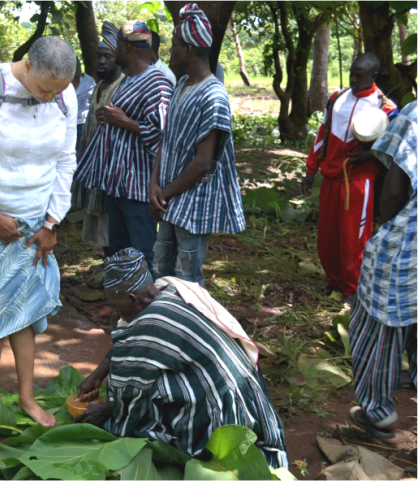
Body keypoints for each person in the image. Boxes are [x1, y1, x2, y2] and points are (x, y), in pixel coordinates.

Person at [0, 36, 77, 426]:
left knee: (26, 307)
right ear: (27, 66)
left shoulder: (63, 95)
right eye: (43, 89)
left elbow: (65, 161)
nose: (49, 98)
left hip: (37, 221)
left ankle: (25, 398)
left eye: (58, 90)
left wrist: (52, 222)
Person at [75, 248, 288, 468]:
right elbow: (130, 345)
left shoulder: (153, 322)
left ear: (131, 299)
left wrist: (106, 410)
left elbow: (128, 390)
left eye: (115, 305)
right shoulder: (173, 290)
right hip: (248, 400)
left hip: (223, 419)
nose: (115, 312)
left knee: (141, 414)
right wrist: (97, 375)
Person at [150, 4, 245, 287]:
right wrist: (155, 185)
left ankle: (189, 328)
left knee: (187, 279)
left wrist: (163, 193)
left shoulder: (213, 96)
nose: (170, 51)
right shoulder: (181, 85)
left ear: (188, 50)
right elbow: (166, 140)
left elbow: (202, 163)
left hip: (192, 203)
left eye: (175, 45)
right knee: (161, 269)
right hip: (168, 199)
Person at [74, 20, 173, 276]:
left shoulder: (157, 83)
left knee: (143, 253)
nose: (113, 50)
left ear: (127, 48)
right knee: (119, 252)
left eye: (116, 45)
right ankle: (125, 309)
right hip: (117, 185)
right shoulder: (129, 81)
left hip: (138, 190)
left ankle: (148, 309)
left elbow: (165, 136)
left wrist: (125, 122)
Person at [303, 53, 398, 307]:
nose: (354, 79)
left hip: (359, 180)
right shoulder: (336, 99)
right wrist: (311, 170)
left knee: (354, 236)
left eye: (360, 75)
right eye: (352, 73)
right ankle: (333, 280)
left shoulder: (385, 108)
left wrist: (370, 154)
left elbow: (393, 148)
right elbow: (322, 133)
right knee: (328, 234)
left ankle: (352, 288)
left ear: (373, 76)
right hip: (331, 175)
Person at [348, 101, 418, 439]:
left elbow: (393, 190)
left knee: (376, 324)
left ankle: (378, 411)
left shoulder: (414, 115)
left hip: (408, 252)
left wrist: (388, 230)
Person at [71, 22, 125, 256]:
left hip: (112, 174)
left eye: (108, 56)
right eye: (99, 56)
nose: (101, 61)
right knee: (101, 232)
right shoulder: (98, 86)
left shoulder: (123, 87)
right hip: (95, 172)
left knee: (114, 230)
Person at [72, 56, 95, 150]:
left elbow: (93, 102)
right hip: (65, 122)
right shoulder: (62, 81)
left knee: (80, 151)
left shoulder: (88, 81)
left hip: (82, 123)